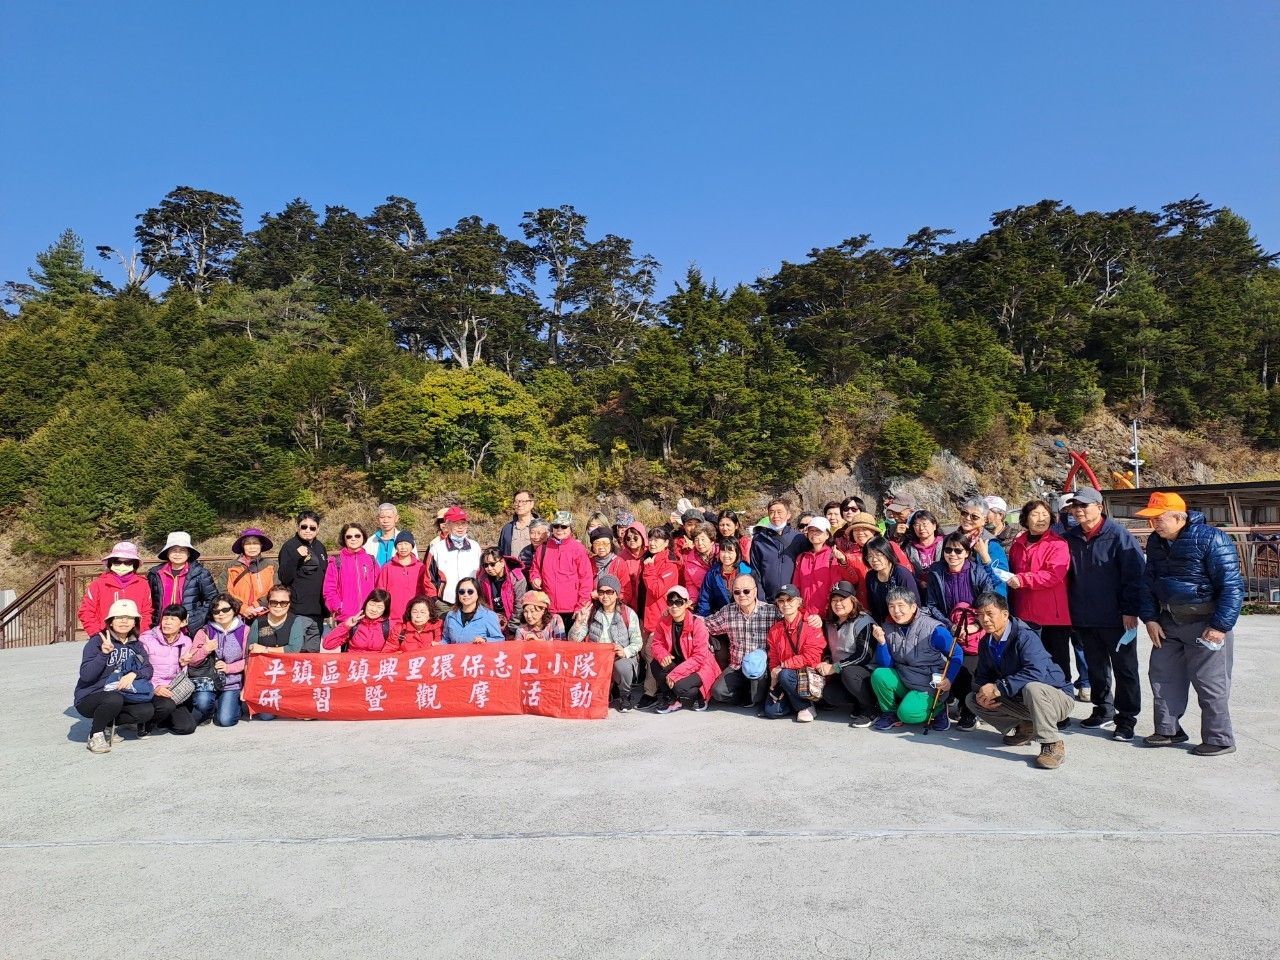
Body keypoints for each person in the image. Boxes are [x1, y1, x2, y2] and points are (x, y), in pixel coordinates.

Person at [1137, 491, 1244, 756]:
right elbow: (1148, 582)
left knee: (1210, 682)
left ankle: (1219, 739)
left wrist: (1220, 626)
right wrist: (1150, 618)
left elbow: (1231, 586)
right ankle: (1168, 730)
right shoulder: (1156, 542)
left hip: (1205, 623)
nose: (1154, 525)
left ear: (1178, 517)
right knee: (1162, 676)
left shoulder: (1213, 538)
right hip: (1168, 621)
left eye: (1159, 519)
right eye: (1151, 520)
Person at [1064, 486, 1146, 742]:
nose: (1078, 511)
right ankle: (1103, 709)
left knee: (1125, 669)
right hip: (1085, 617)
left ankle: (1126, 719)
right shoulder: (1070, 537)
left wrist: (1131, 611)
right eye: (1075, 506)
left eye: (1084, 506)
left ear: (1099, 507)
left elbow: (1135, 578)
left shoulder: (1119, 536)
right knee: (1095, 667)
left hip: (1118, 618)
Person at [967, 592, 1076, 768]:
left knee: (1032, 688)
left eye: (989, 614)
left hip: (1056, 698)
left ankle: (1051, 743)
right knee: (972, 700)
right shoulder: (986, 642)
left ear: (1005, 614)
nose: (985, 619)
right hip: (1024, 700)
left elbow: (1036, 673)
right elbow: (983, 676)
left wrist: (998, 689)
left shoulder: (1025, 636)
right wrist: (982, 692)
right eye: (980, 615)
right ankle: (1026, 727)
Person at [869, 588, 963, 731]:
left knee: (906, 714)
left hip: (927, 684)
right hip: (904, 677)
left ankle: (938, 709)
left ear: (913, 607)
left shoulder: (932, 628)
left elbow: (956, 654)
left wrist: (949, 679)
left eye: (901, 605)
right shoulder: (888, 627)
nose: (896, 611)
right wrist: (882, 642)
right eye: (891, 606)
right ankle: (890, 713)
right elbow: (886, 665)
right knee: (880, 674)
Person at [1006, 499, 1073, 698]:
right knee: (1028, 661)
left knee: (1056, 663)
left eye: (1045, 514)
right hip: (1025, 614)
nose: (1041, 519)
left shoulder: (1058, 543)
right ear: (1025, 519)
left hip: (1052, 616)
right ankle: (1032, 706)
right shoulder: (1017, 544)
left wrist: (1023, 580)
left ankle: (1062, 706)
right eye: (1035, 514)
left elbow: (1054, 575)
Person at [75, 598, 156, 752]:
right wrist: (103, 655)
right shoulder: (97, 642)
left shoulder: (137, 645)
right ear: (110, 621)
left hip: (122, 694)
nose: (124, 621)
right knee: (113, 698)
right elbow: (86, 675)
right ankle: (95, 735)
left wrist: (134, 673)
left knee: (147, 711)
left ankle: (107, 724)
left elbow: (148, 669)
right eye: (119, 617)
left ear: (135, 622)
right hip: (91, 696)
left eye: (129, 618)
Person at [568, 573, 644, 711]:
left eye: (609, 592)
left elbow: (637, 642)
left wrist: (625, 651)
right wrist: (578, 623)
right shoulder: (591, 612)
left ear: (617, 594)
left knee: (623, 667)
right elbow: (574, 640)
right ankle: (604, 693)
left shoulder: (628, 613)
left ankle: (625, 695)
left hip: (619, 656)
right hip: (597, 657)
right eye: (601, 592)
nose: (605, 596)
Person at [707, 574, 780, 708]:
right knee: (718, 692)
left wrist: (812, 618)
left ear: (755, 591)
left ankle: (755, 695)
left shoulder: (770, 611)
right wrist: (680, 613)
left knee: (756, 698)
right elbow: (705, 624)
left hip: (760, 667)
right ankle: (743, 696)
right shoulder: (728, 612)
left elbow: (791, 617)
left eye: (746, 591)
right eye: (737, 592)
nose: (742, 595)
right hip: (737, 665)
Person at [815, 582, 879, 726]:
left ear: (853, 601)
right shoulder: (830, 623)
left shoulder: (864, 622)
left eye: (842, 599)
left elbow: (863, 656)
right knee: (829, 695)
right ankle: (859, 703)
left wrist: (835, 667)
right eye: (834, 600)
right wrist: (826, 662)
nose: (838, 604)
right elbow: (829, 650)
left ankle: (871, 709)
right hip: (841, 670)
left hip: (864, 671)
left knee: (849, 673)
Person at [763, 584, 827, 722]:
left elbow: (812, 657)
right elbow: (773, 657)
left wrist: (783, 666)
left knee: (785, 674)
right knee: (770, 712)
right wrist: (774, 680)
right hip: (786, 676)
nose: (786, 604)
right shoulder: (775, 629)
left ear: (799, 601)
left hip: (809, 675)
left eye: (790, 599)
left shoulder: (810, 623)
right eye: (781, 601)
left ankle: (805, 706)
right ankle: (796, 703)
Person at [649, 585, 718, 714]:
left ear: (687, 603)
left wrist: (675, 675)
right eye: (670, 602)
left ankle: (701, 695)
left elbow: (699, 658)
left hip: (701, 666)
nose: (674, 606)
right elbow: (656, 643)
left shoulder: (697, 624)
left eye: (679, 602)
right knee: (655, 664)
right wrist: (663, 654)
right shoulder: (663, 621)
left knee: (680, 686)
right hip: (680, 663)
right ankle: (672, 699)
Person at [136, 603, 199, 736]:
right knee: (166, 706)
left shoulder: (186, 641)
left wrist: (183, 664)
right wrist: (155, 687)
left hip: (172, 689)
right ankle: (146, 723)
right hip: (151, 688)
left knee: (187, 727)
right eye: (165, 618)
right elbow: (138, 669)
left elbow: (183, 671)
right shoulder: (146, 639)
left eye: (173, 619)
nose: (167, 623)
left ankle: (162, 720)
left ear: (182, 623)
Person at [189, 594, 250, 728]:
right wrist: (206, 649)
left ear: (234, 609)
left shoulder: (244, 631)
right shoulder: (204, 631)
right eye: (216, 611)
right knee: (203, 703)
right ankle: (211, 709)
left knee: (225, 720)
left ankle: (228, 705)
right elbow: (192, 660)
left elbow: (248, 660)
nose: (221, 614)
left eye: (225, 610)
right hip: (207, 681)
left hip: (232, 682)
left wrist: (229, 668)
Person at [529, 511, 594, 629]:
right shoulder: (543, 548)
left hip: (572, 610)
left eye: (564, 526)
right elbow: (534, 569)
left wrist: (581, 606)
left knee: (571, 645)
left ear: (570, 528)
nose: (559, 529)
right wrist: (535, 578)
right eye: (556, 526)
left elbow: (586, 580)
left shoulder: (578, 549)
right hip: (548, 608)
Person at [146, 531, 218, 633]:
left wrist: (196, 620)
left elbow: (212, 598)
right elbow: (149, 601)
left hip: (187, 628)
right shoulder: (155, 574)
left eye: (182, 550)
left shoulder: (200, 573)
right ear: (167, 552)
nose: (177, 554)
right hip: (161, 626)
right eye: (173, 550)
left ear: (188, 553)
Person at [78, 541, 153, 636]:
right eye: (117, 562)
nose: (122, 566)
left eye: (128, 562)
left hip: (135, 637)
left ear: (134, 564)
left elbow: (147, 611)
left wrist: (141, 632)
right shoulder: (98, 584)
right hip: (105, 636)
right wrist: (97, 634)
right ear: (110, 563)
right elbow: (86, 611)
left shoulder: (143, 584)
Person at [923, 532, 999, 626]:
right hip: (947, 626)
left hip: (975, 625)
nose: (952, 554)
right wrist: (950, 625)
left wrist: (977, 625)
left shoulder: (978, 573)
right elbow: (932, 605)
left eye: (958, 551)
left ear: (966, 553)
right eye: (948, 550)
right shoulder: (935, 573)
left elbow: (988, 601)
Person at [839, 512, 911, 608]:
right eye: (856, 530)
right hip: (864, 606)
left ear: (873, 531)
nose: (860, 533)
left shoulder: (889, 546)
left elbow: (907, 570)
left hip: (897, 604)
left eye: (864, 529)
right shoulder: (848, 556)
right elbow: (851, 582)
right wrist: (844, 563)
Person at [322, 523, 381, 627]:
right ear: (344, 539)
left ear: (363, 537)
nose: (353, 539)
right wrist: (339, 607)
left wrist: (377, 607)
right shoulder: (336, 562)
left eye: (357, 535)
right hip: (346, 619)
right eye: (349, 536)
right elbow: (329, 591)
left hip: (369, 616)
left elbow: (379, 586)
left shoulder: (370, 560)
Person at [750, 498, 808, 600]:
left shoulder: (799, 538)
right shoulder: (759, 540)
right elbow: (755, 571)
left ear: (788, 515)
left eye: (780, 512)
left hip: (793, 599)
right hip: (768, 599)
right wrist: (761, 597)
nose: (776, 516)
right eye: (772, 512)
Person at [277, 511, 329, 622]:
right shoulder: (289, 547)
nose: (308, 530)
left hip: (318, 609)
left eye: (312, 528)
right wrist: (296, 556)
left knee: (316, 640)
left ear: (318, 529)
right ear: (298, 527)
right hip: (297, 611)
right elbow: (284, 577)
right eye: (304, 527)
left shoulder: (320, 547)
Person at [792, 517, 849, 618]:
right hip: (804, 614)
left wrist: (828, 609)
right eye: (811, 530)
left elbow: (835, 587)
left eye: (818, 531)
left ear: (827, 534)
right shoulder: (802, 558)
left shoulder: (832, 556)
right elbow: (796, 586)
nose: (814, 533)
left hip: (827, 614)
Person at [427, 506, 482, 610]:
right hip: (445, 604)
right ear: (447, 524)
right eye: (456, 524)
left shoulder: (475, 546)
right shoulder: (437, 548)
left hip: (472, 601)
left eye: (463, 523)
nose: (460, 527)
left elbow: (482, 574)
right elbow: (428, 577)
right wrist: (435, 600)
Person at [957, 497, 1010, 597]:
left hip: (980, 603)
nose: (967, 518)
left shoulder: (991, 544)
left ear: (984, 520)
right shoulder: (951, 540)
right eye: (964, 513)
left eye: (974, 517)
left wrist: (985, 558)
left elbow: (1001, 582)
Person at [862, 535, 920, 624]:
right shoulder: (870, 576)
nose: (874, 559)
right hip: (883, 624)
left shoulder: (901, 574)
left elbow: (915, 605)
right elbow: (873, 607)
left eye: (878, 554)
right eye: (870, 556)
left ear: (887, 553)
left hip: (906, 622)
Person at [247, 585, 321, 654]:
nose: (278, 606)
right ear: (268, 603)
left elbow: (293, 649)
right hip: (263, 665)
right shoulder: (258, 622)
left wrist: (265, 649)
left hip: (287, 665)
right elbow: (251, 648)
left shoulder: (295, 621)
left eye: (283, 603)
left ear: (289, 604)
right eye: (274, 602)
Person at [639, 525, 683, 639]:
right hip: (648, 616)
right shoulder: (649, 558)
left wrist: (649, 568)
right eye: (651, 539)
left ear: (666, 543)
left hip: (661, 618)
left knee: (653, 654)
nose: (652, 543)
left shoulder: (670, 565)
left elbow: (656, 590)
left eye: (656, 540)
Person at [375, 531, 428, 621]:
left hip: (415, 616)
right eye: (400, 544)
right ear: (396, 547)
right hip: (392, 616)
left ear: (412, 546)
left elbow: (426, 590)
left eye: (406, 544)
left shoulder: (421, 567)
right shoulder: (387, 567)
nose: (403, 547)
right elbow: (380, 591)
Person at [225, 527, 275, 622]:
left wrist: (256, 606)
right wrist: (242, 608)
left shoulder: (271, 565)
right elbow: (224, 591)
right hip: (237, 614)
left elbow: (275, 590)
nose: (252, 547)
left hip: (264, 613)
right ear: (242, 546)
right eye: (248, 544)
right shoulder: (230, 566)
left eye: (255, 543)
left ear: (261, 545)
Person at [695, 538, 753, 617]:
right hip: (721, 618)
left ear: (737, 553)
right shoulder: (712, 573)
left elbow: (756, 596)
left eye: (730, 551)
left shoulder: (747, 571)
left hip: (745, 617)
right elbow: (705, 600)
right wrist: (704, 619)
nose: (726, 555)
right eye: (723, 551)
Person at [322, 589, 395, 651]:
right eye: (372, 605)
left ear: (385, 610)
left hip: (376, 666)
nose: (374, 610)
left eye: (379, 607)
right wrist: (345, 626)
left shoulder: (389, 627)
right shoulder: (355, 624)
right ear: (366, 604)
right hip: (355, 665)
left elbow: (395, 652)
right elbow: (327, 645)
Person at [477, 547, 527, 637]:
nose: (489, 568)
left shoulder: (517, 578)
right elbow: (483, 603)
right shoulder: (482, 579)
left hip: (514, 622)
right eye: (485, 565)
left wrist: (512, 628)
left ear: (502, 562)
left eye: (492, 564)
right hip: (493, 620)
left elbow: (519, 605)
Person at [441, 577, 506, 643]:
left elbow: (499, 639)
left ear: (478, 594)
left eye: (470, 592)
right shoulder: (450, 615)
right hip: (456, 653)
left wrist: (485, 640)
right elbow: (446, 639)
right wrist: (438, 645)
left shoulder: (489, 615)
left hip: (480, 653)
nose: (465, 594)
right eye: (462, 592)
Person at [614, 522, 649, 613]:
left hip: (647, 600)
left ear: (643, 537)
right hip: (630, 601)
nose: (631, 540)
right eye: (628, 538)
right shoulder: (622, 557)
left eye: (635, 537)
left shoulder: (650, 553)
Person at [903, 510, 944, 581]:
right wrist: (918, 582)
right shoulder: (909, 548)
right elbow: (907, 571)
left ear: (934, 526)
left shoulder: (944, 544)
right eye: (917, 525)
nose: (921, 528)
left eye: (925, 524)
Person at [681, 524, 718, 601]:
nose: (700, 543)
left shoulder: (721, 553)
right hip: (705, 599)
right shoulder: (689, 561)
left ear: (711, 541)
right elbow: (690, 584)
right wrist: (693, 600)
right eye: (696, 540)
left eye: (703, 539)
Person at [497, 490, 539, 559]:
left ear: (532, 504)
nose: (519, 505)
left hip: (534, 569)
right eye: (516, 501)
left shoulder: (542, 527)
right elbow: (501, 552)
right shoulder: (507, 529)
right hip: (512, 569)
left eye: (524, 501)